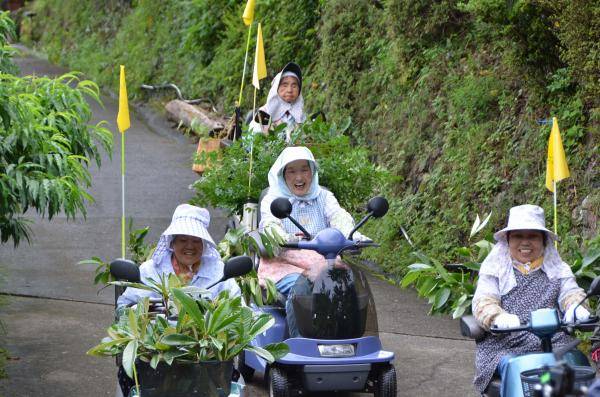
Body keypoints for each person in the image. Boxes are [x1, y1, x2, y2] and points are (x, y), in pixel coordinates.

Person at [472, 204, 590, 395]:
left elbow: (571, 292)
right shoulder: (495, 268)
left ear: (543, 240)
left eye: (533, 236)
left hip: (555, 343)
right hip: (506, 346)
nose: (525, 242)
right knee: (525, 376)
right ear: (508, 239)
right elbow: (484, 301)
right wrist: (497, 317)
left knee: (575, 369)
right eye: (518, 235)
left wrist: (576, 307)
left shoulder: (558, 269)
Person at [258, 146, 366, 337]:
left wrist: (353, 236)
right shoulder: (273, 200)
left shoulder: (324, 197)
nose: (299, 177)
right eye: (292, 171)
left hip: (325, 262)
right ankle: (299, 344)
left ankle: (350, 340)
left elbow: (339, 217)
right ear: (283, 175)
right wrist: (281, 237)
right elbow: (269, 225)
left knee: (352, 287)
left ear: (312, 171)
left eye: (304, 169)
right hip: (285, 264)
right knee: (300, 290)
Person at [117, 204, 240, 308]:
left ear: (204, 244)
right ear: (172, 242)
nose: (190, 246)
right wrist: (146, 309)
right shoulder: (151, 270)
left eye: (196, 240)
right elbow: (124, 309)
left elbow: (239, 307)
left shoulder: (219, 272)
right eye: (183, 240)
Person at [249, 62, 306, 142]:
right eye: (285, 85)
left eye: (294, 86)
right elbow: (252, 142)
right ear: (276, 88)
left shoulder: (301, 115)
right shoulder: (264, 113)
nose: (289, 90)